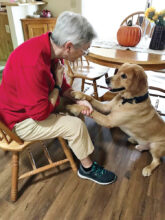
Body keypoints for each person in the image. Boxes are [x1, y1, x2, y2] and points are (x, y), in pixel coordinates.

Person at [0, 11, 117, 185]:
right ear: (68, 46)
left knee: (76, 109)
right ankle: (87, 168)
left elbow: (61, 84)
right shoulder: (32, 63)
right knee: (75, 125)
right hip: (19, 121)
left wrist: (77, 100)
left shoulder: (49, 47)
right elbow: (40, 113)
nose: (84, 54)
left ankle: (76, 144)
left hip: (35, 104)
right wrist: (56, 85)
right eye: (84, 50)